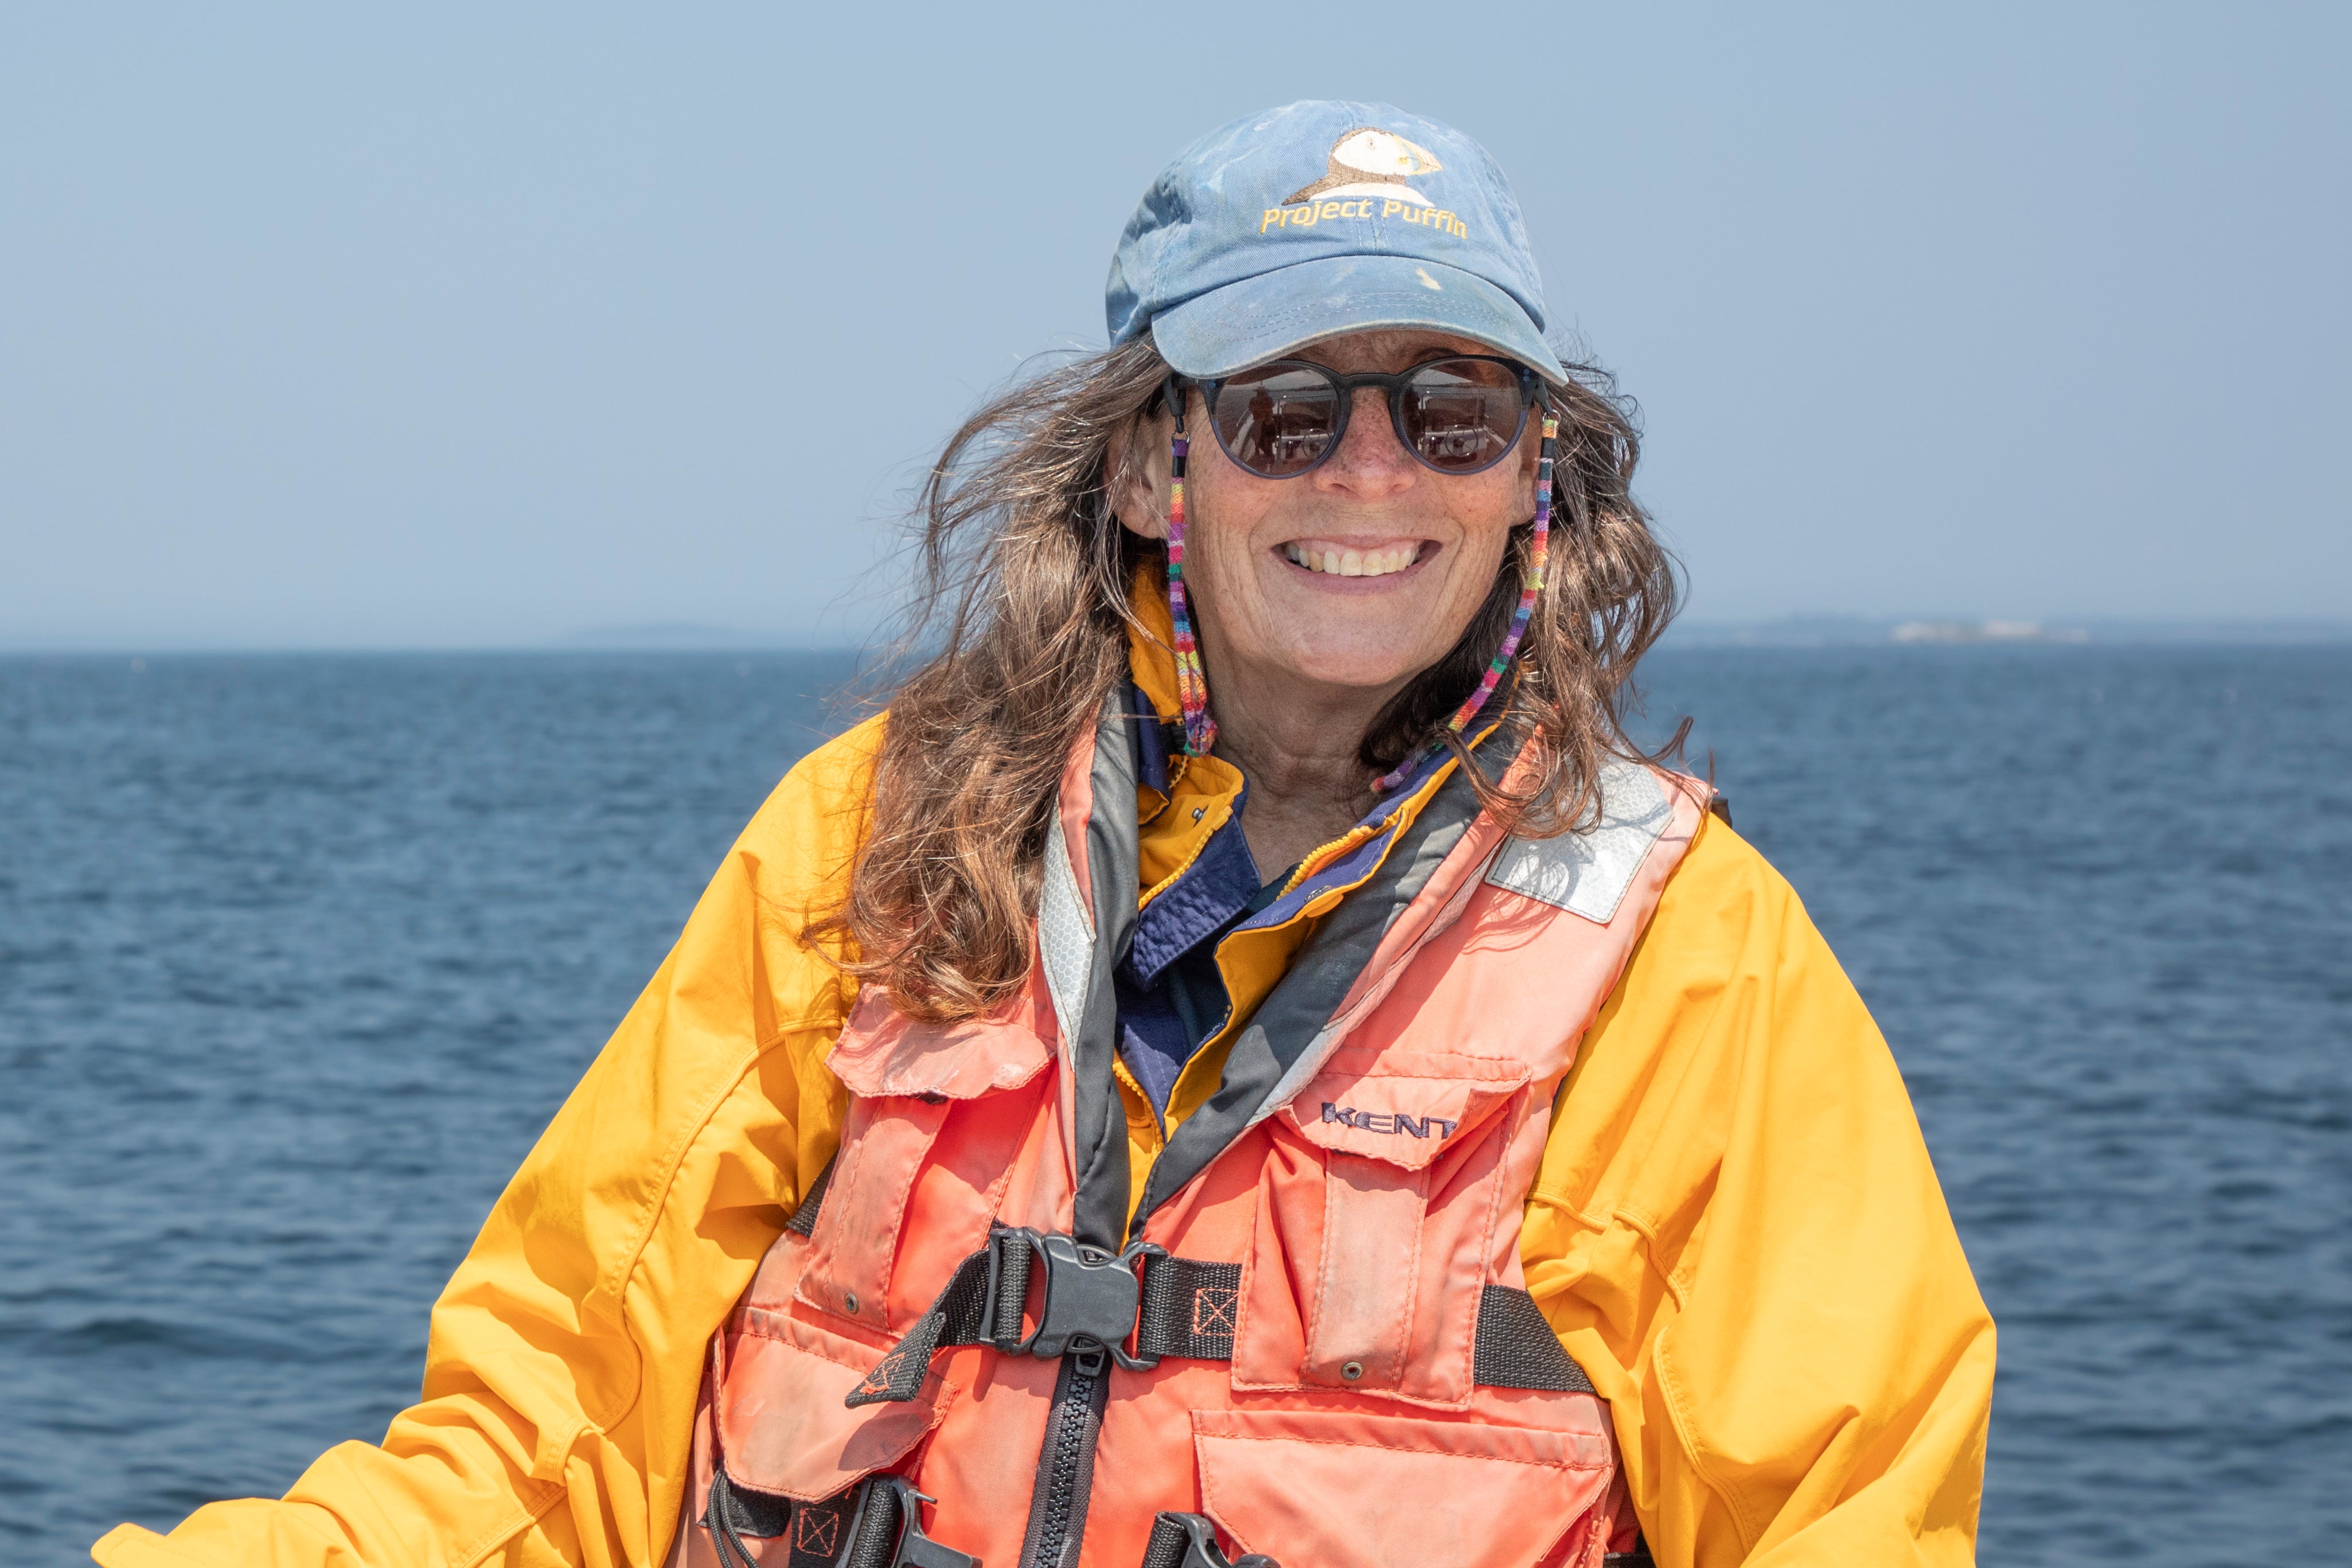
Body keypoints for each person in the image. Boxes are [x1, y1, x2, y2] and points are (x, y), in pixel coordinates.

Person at [94, 100, 1994, 1568]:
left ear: (1533, 484)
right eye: (1285, 411)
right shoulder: (868, 843)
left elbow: (1849, 1507)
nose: (1370, 474)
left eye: (1450, 410)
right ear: (1160, 459)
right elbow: (544, 1435)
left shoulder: (1691, 957)